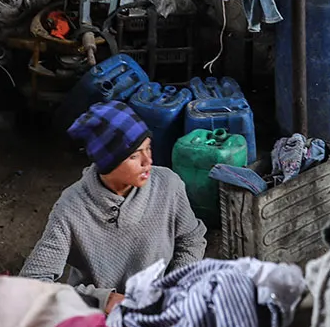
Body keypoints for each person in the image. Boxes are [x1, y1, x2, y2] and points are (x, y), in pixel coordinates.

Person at [19, 100, 206, 307]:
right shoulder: (71, 208)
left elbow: (191, 240)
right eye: (135, 156)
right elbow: (33, 282)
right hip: (97, 318)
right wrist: (101, 300)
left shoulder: (168, 186)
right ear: (108, 164)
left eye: (148, 148)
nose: (148, 161)